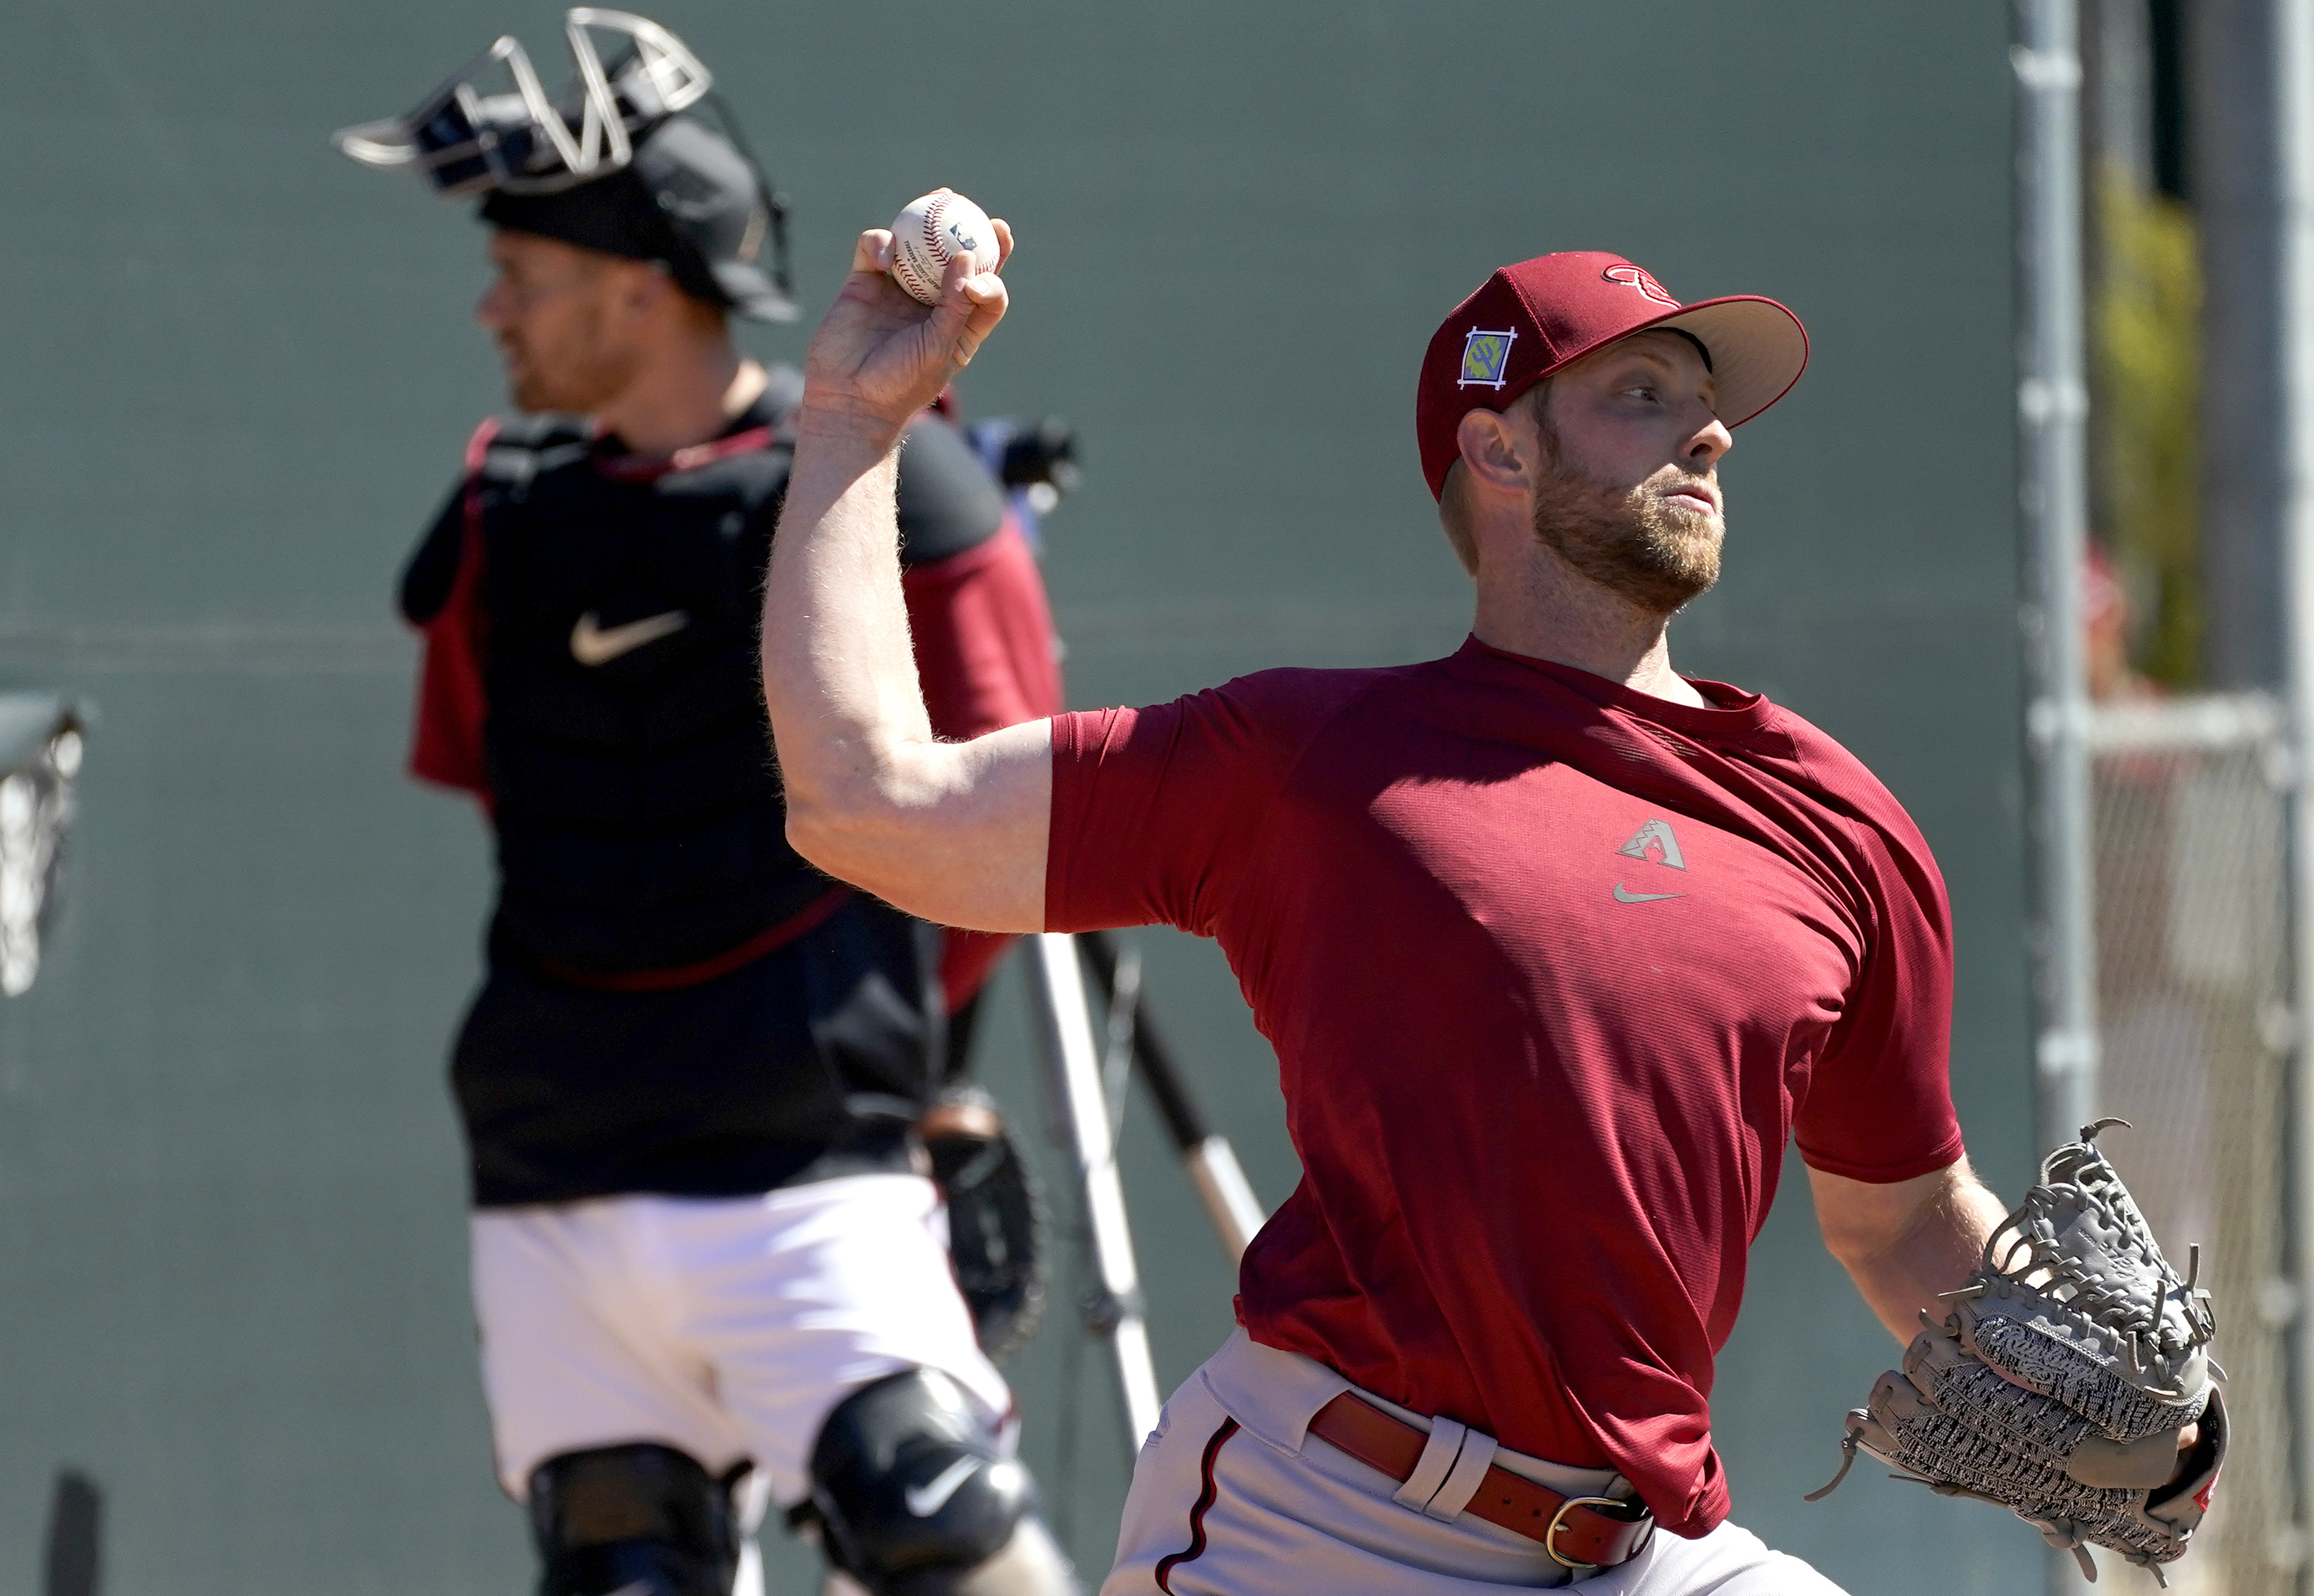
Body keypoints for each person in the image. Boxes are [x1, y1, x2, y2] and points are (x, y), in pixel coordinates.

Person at [757, 228, 2045, 1594]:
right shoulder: (1311, 762)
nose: (1711, 435)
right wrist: (850, 420)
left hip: (1644, 1549)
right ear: (1500, 452)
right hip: (1333, 1526)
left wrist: (2098, 1387)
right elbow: (868, 804)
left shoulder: (1836, 821)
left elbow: (1903, 1221)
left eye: (1707, 402)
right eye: (1644, 394)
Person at [335, 15, 1074, 1595]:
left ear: (635, 277)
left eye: (522, 273)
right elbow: (511, 812)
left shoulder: (909, 494)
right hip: (552, 1181)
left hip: (805, 1171)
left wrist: (926, 1085)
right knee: (619, 1566)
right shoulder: (499, 526)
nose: (492, 310)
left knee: (939, 1523)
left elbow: (998, 837)